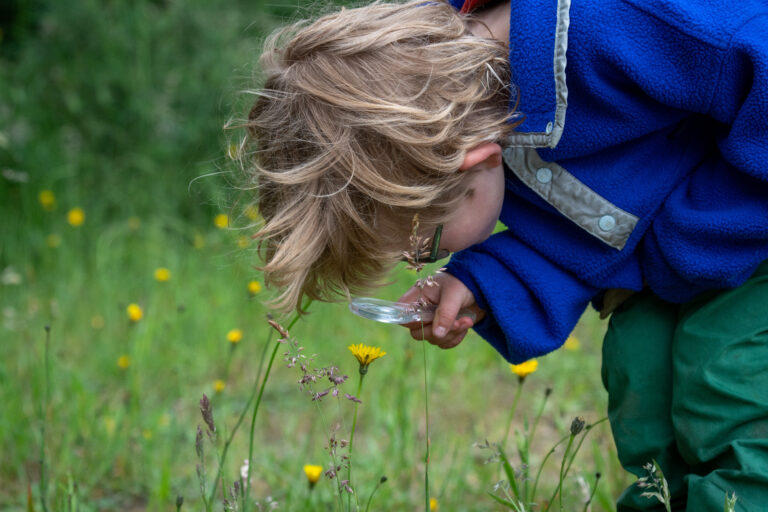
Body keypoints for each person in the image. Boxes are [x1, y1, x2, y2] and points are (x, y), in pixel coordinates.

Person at [243, 0, 768, 509]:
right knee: (642, 379)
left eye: (425, 245)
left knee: (723, 381)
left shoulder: (617, 23)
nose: (422, 259)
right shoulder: (468, 104)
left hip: (753, 230)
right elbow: (593, 217)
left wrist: (691, 235)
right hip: (686, 253)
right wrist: (488, 281)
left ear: (478, 162)